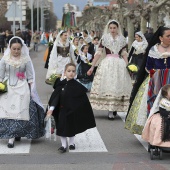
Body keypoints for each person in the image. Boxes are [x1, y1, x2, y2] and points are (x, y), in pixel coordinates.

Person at [0, 36, 45, 148]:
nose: (16, 51)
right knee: (8, 112)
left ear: (21, 48)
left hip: (22, 88)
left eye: (18, 49)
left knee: (20, 111)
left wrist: (32, 91)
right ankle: (11, 136)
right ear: (9, 48)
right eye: (14, 49)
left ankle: (15, 135)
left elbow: (30, 77)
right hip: (8, 89)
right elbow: (0, 77)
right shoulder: (5, 59)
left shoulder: (26, 59)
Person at [125, 26, 170, 135]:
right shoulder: (153, 50)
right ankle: (154, 130)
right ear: (161, 38)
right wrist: (157, 72)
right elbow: (147, 67)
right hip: (155, 81)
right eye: (168, 36)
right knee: (154, 105)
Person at [87, 20, 132, 120]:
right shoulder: (105, 38)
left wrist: (128, 66)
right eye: (110, 28)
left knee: (117, 85)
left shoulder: (122, 39)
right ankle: (110, 110)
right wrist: (92, 66)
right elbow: (98, 53)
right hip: (107, 63)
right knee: (109, 84)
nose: (112, 30)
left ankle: (114, 107)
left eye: (114, 28)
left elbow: (124, 53)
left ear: (117, 28)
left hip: (119, 64)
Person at [46, 63, 96, 153]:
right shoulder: (61, 85)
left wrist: (80, 109)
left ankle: (72, 143)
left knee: (71, 127)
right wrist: (51, 109)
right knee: (61, 127)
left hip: (72, 111)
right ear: (64, 72)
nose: (71, 73)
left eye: (73, 71)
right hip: (62, 111)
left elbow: (83, 100)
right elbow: (55, 98)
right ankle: (63, 145)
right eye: (69, 71)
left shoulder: (77, 86)